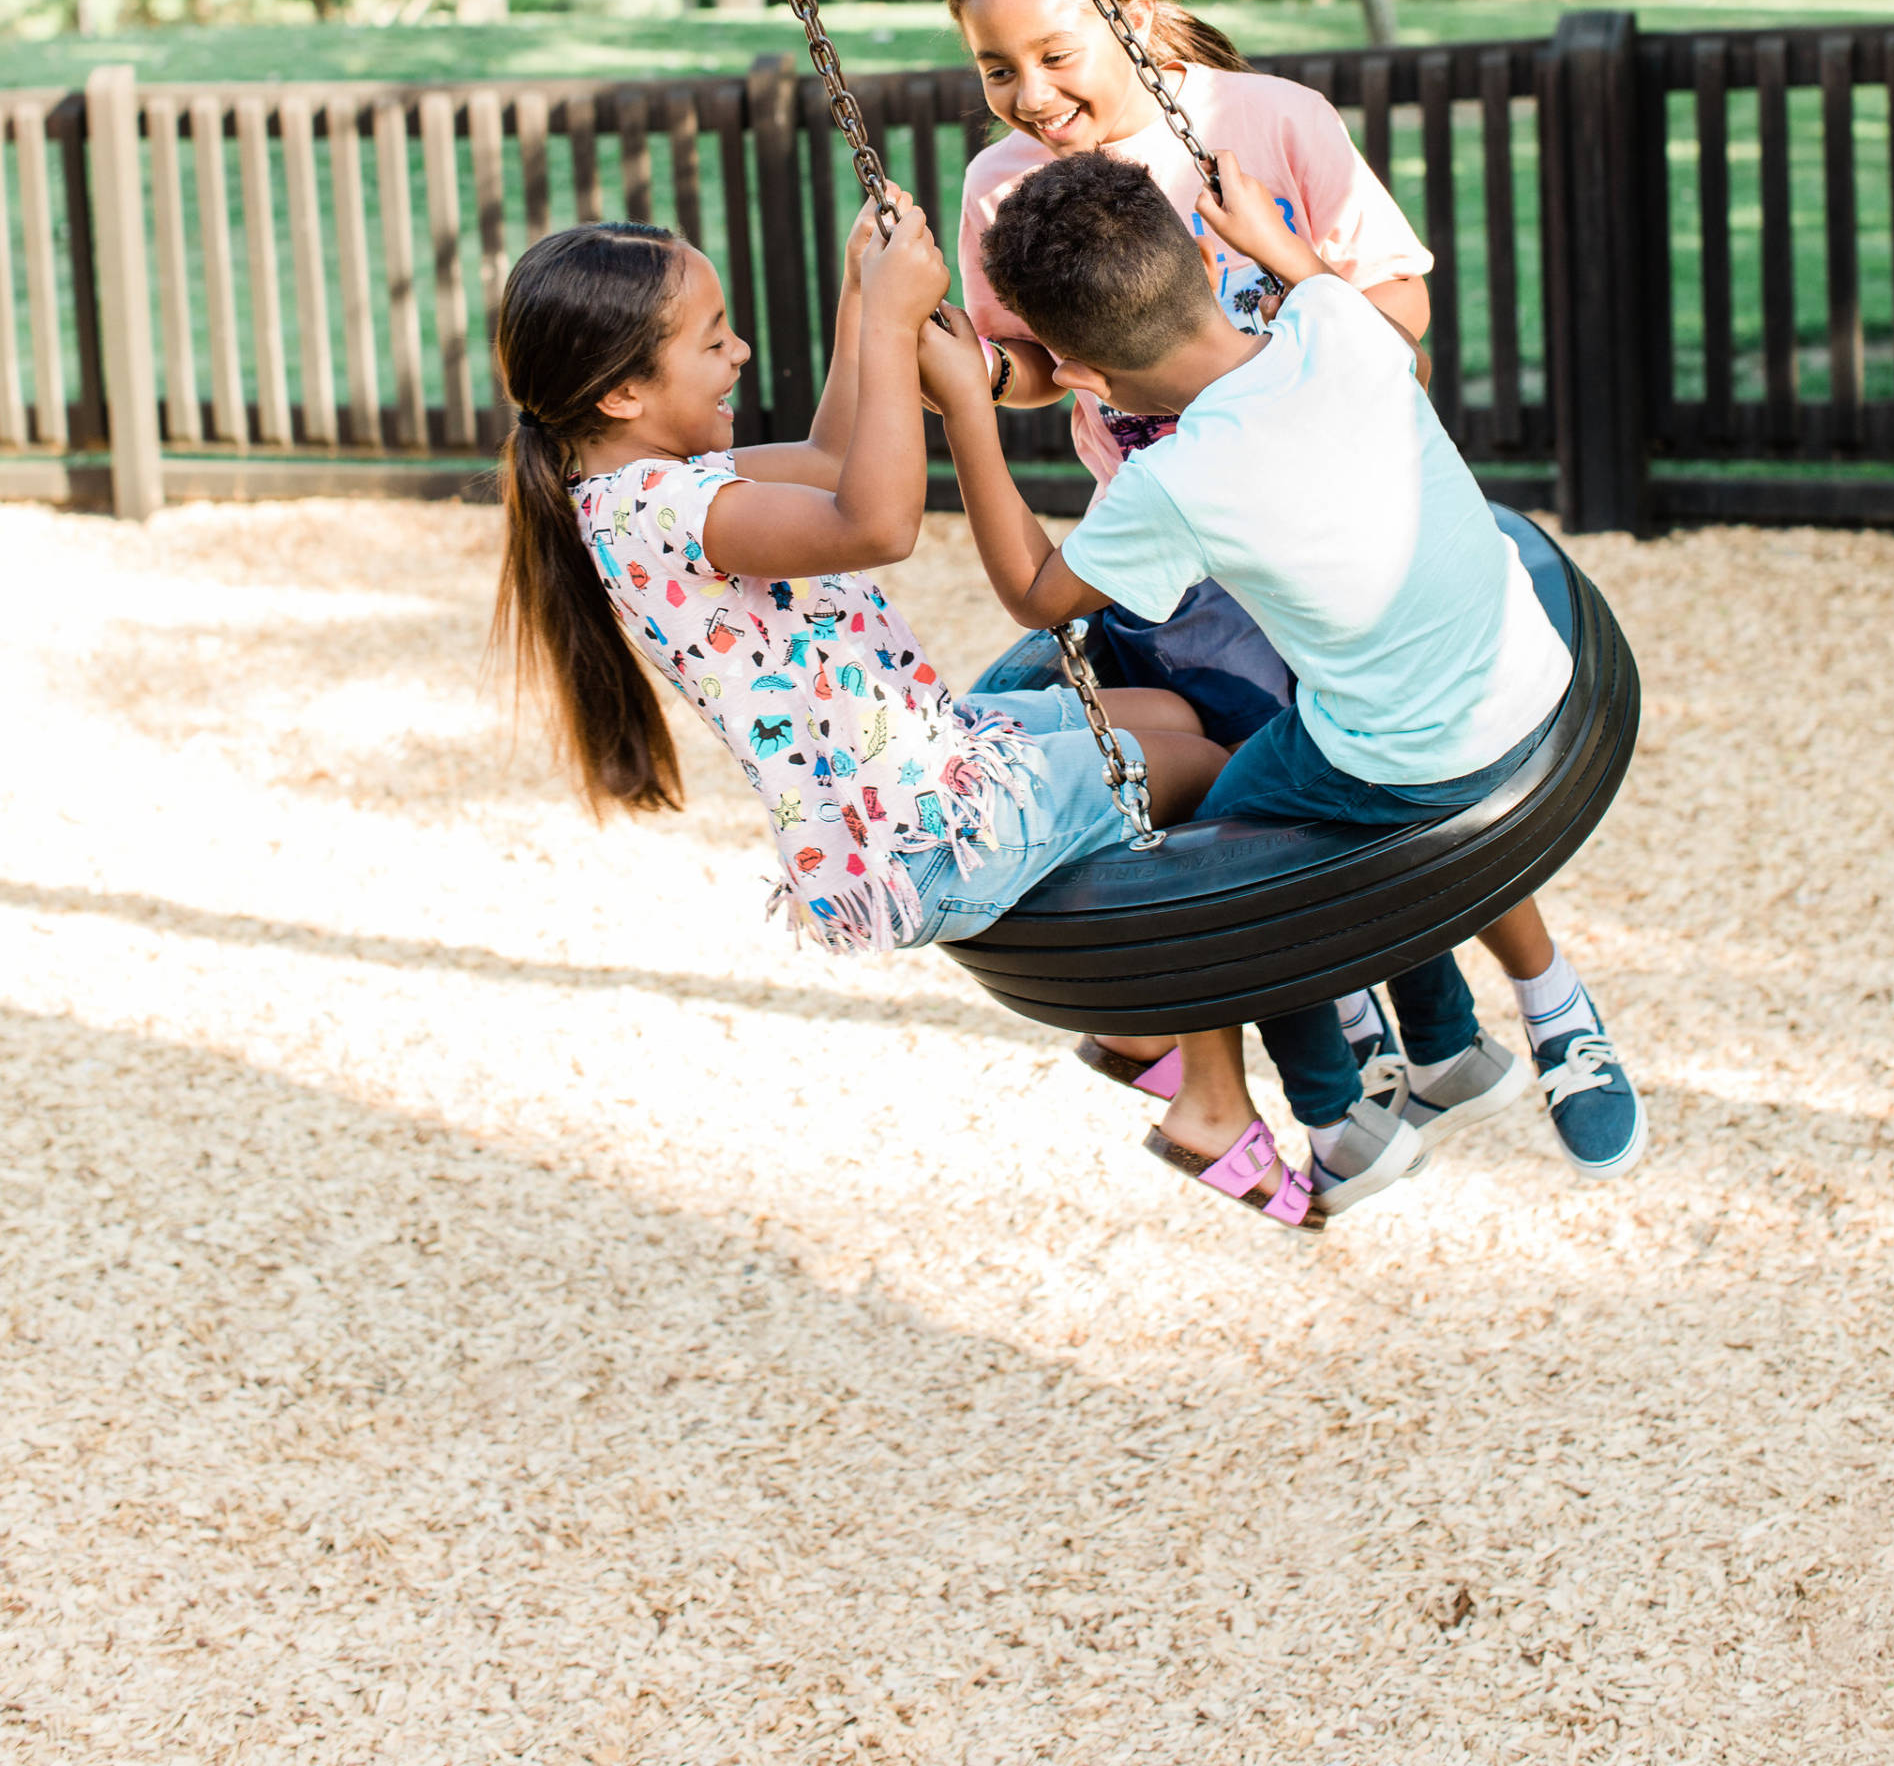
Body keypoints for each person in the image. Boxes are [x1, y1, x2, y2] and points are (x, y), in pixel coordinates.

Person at [489, 194, 1427, 1227]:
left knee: (1166, 714)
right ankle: (1207, 1090)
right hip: (931, 834)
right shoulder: (672, 510)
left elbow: (833, 460)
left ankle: (1140, 1037)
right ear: (623, 391)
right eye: (715, 342)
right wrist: (896, 329)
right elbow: (877, 518)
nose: (742, 352)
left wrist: (862, 300)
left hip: (928, 772)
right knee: (1208, 778)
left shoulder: (634, 489)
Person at [937, 144, 1647, 1184]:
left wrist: (964, 409)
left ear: (1082, 375)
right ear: (1195, 259)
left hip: (1416, 757)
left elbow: (1037, 595)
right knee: (1304, 752)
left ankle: (1338, 1120)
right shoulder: (1335, 325)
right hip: (1533, 675)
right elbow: (1321, 287)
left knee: (1229, 848)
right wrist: (1271, 239)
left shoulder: (1176, 477)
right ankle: (1444, 1046)